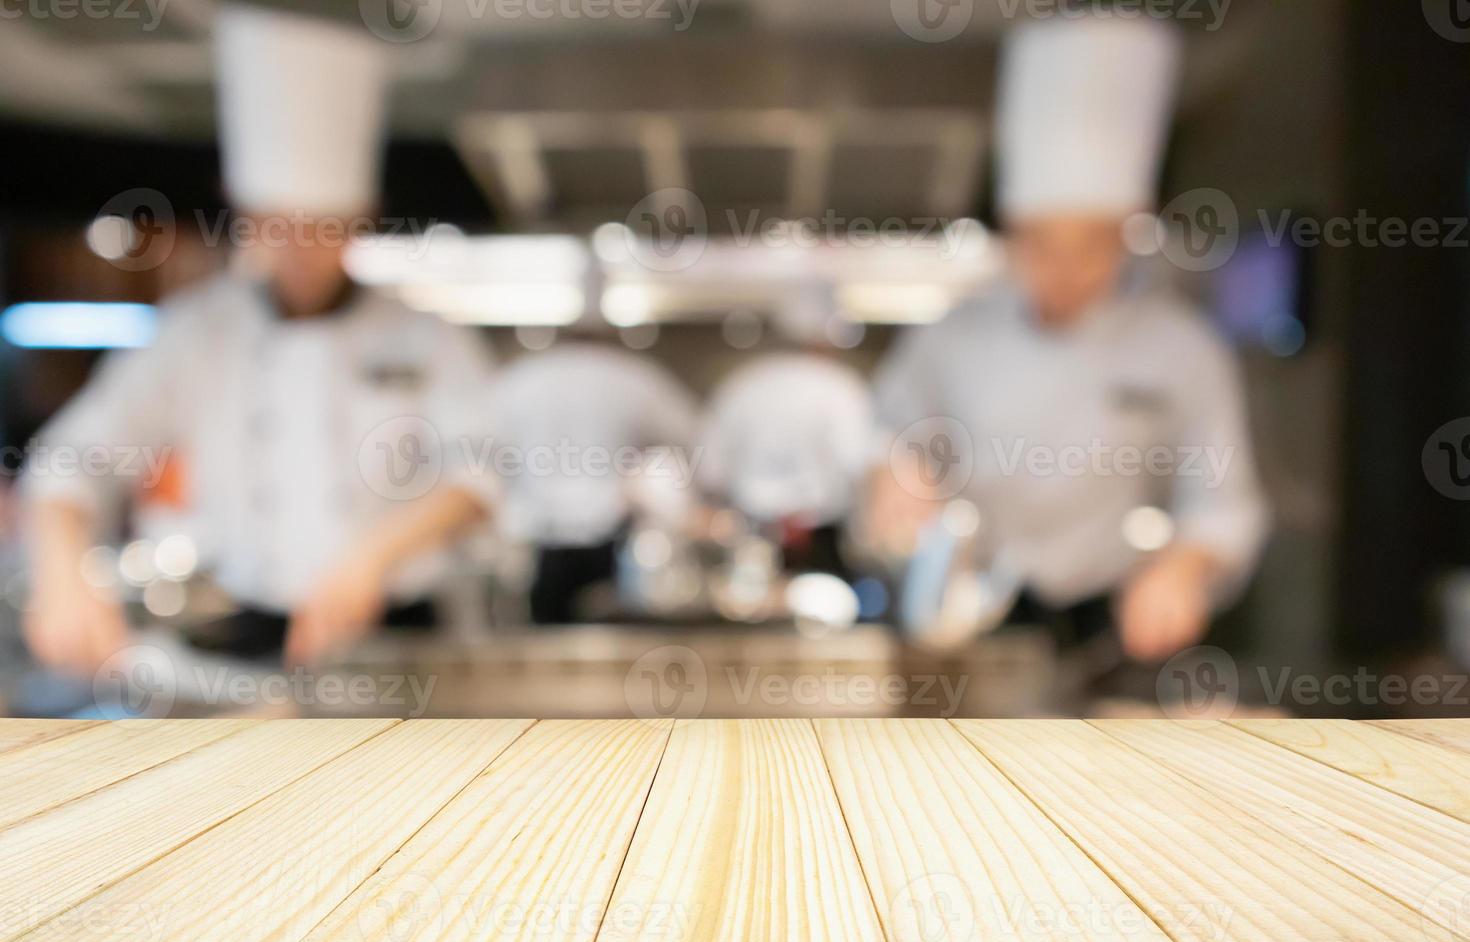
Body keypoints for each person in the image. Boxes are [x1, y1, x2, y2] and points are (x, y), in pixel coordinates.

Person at [21, 6, 497, 672]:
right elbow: (72, 459)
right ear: (241, 212)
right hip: (248, 644)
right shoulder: (196, 333)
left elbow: (481, 476)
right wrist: (61, 573)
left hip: (404, 637)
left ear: (363, 219)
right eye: (277, 224)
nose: (299, 248)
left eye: (322, 225)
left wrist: (371, 558)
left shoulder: (427, 336)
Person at [872, 14, 1268, 661]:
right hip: (969, 622)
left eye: (1090, 245)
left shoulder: (1183, 349)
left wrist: (1184, 569)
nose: (1063, 270)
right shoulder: (956, 333)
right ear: (1012, 232)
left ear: (1127, 231)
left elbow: (1223, 505)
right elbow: (888, 428)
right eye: (1040, 243)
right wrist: (894, 471)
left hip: (1107, 636)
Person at [486, 341, 698, 624]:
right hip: (599, 535)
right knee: (608, 627)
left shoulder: (516, 379)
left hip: (542, 540)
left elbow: (479, 453)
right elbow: (691, 438)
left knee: (545, 630)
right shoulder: (633, 376)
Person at [698, 322, 875, 580]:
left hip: (749, 535)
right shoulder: (842, 386)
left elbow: (708, 470)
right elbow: (859, 465)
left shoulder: (741, 383)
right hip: (821, 539)